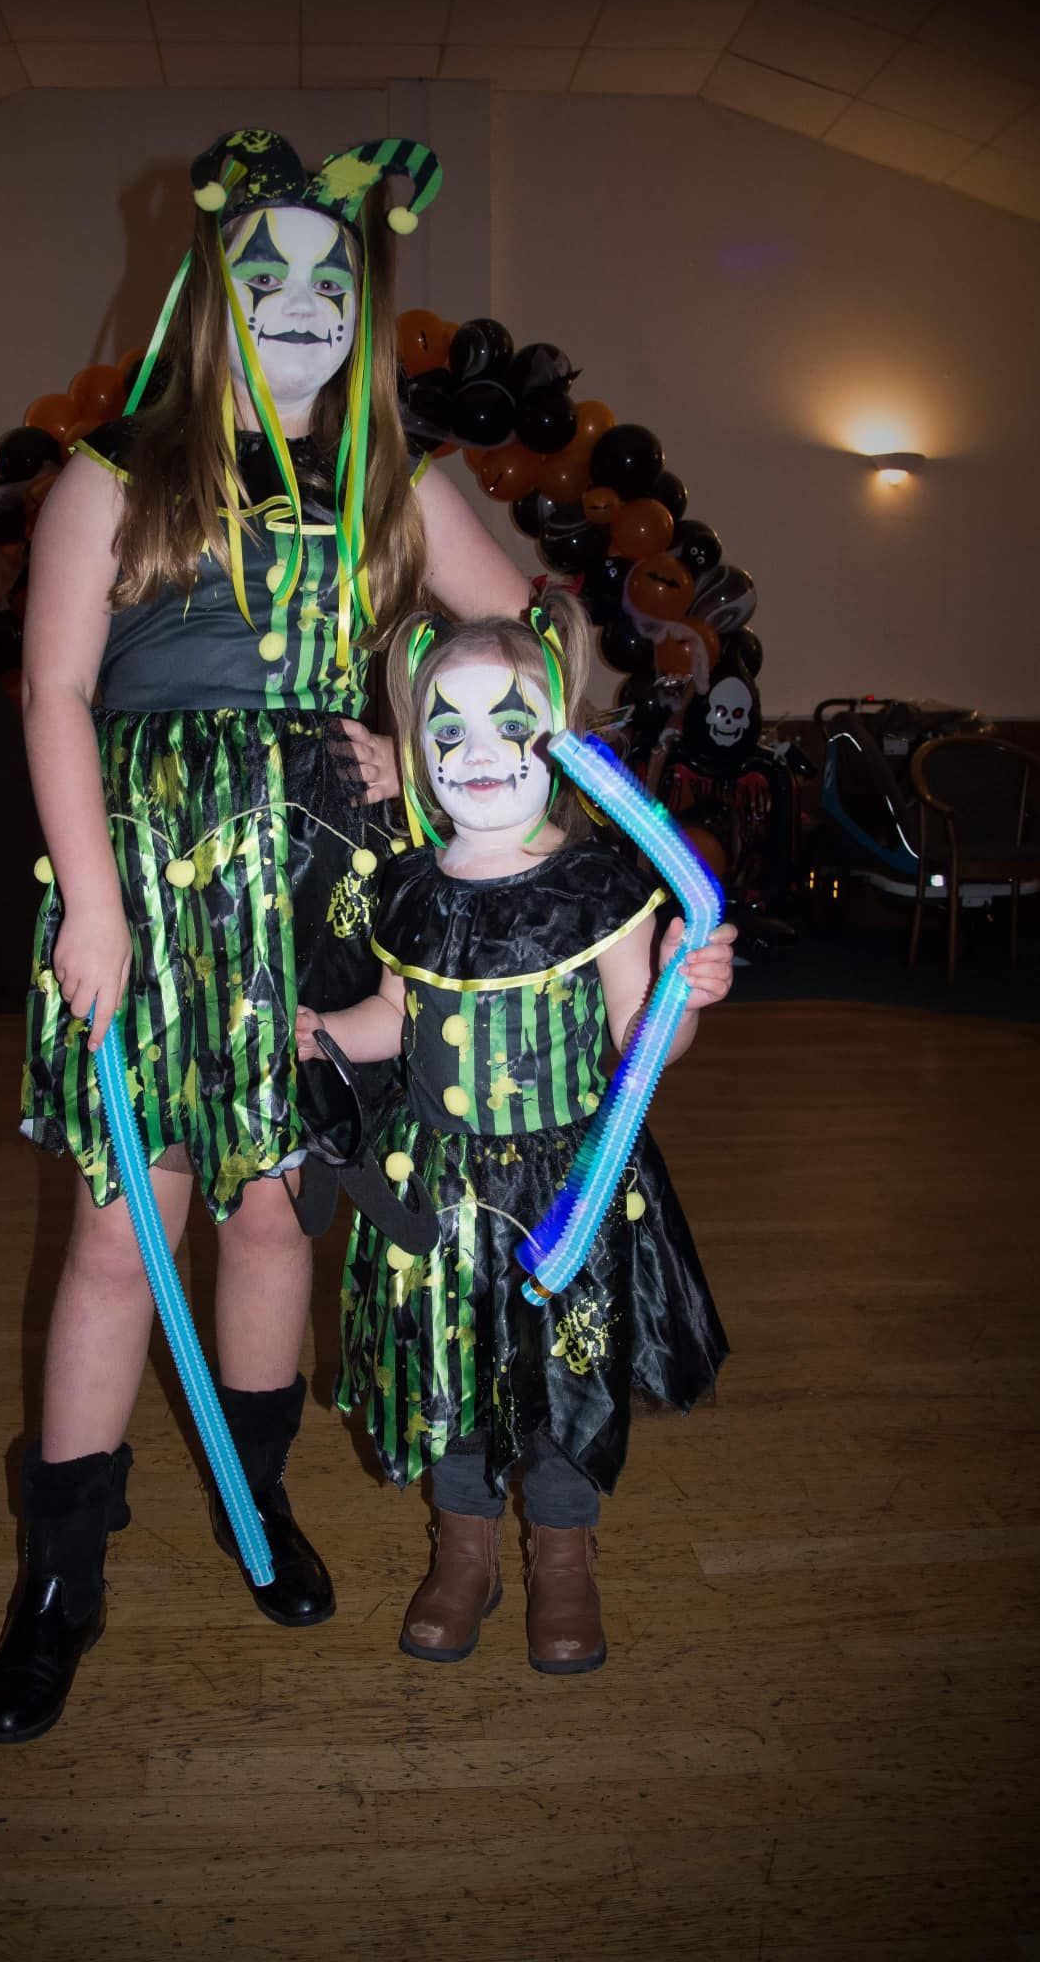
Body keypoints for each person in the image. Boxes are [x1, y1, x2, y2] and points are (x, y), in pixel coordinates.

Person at [0, 129, 527, 1743]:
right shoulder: (114, 470)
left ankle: (251, 1494)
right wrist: (90, 903)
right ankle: (61, 1578)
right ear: (212, 290)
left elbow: (529, 633)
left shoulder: (395, 478)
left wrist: (420, 748)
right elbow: (53, 692)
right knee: (117, 1233)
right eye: (267, 269)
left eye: (333, 274)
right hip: (148, 886)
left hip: (314, 884)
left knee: (276, 1217)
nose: (301, 299)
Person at [295, 598, 733, 1675]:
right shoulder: (409, 886)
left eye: (512, 723)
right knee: (452, 1372)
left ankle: (564, 1559)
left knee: (561, 1376)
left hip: (567, 1187)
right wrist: (323, 1032)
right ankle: (464, 1551)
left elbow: (641, 1044)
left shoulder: (601, 887)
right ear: (417, 746)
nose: (480, 752)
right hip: (438, 1191)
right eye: (448, 728)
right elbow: (394, 1018)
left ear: (563, 738)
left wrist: (682, 994)